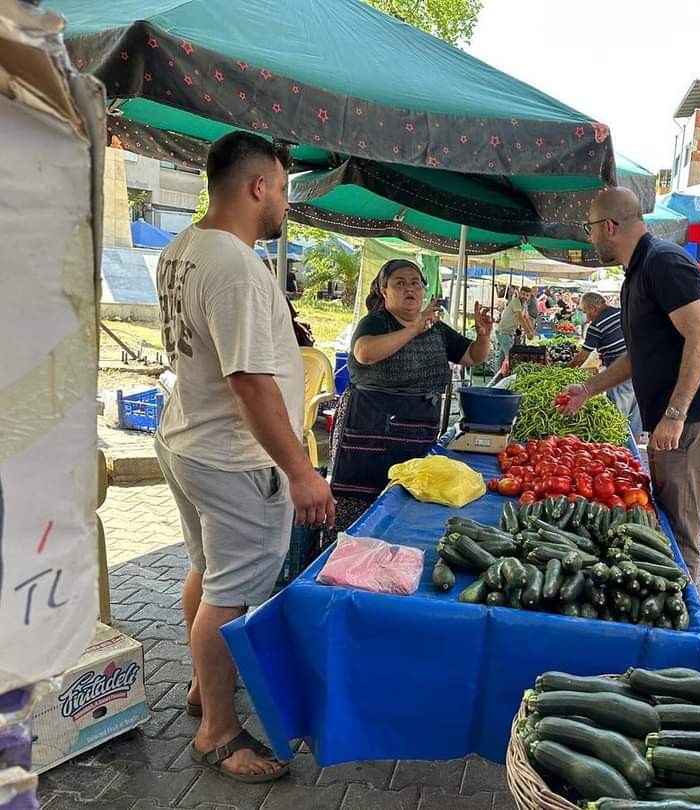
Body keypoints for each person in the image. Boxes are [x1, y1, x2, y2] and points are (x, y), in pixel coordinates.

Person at [155, 132, 335, 782]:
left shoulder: (183, 247)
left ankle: (207, 688)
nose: (285, 201)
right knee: (231, 591)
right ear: (259, 186)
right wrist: (300, 471)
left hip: (189, 439)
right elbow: (250, 381)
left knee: (207, 574)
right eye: (284, 188)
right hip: (235, 458)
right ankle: (218, 731)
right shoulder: (234, 265)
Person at [556, 188, 700, 578]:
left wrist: (675, 413)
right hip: (677, 419)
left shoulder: (663, 263)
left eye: (589, 229)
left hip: (695, 418)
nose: (589, 238)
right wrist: (589, 389)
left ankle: (682, 620)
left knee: (676, 529)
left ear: (609, 227)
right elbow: (642, 354)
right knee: (666, 520)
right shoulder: (637, 273)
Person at [330, 261, 493, 529]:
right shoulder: (375, 321)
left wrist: (483, 337)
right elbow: (365, 353)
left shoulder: (436, 328)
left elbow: (471, 356)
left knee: (410, 503)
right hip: (370, 425)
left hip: (417, 427)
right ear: (384, 291)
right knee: (361, 506)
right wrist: (414, 328)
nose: (410, 289)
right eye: (400, 283)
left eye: (415, 283)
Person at [569, 291, 642, 440]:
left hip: (620, 373)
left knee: (615, 417)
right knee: (636, 418)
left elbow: (581, 358)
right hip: (643, 369)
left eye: (585, 311)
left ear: (593, 308)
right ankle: (632, 453)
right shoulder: (623, 312)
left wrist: (564, 369)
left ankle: (618, 449)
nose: (586, 316)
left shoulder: (596, 326)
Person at [494, 285, 534, 373]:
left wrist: (532, 331)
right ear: (519, 293)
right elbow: (520, 317)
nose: (525, 297)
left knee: (502, 356)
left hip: (508, 333)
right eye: (523, 294)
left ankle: (497, 376)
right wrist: (528, 332)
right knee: (510, 356)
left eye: (527, 295)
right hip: (504, 332)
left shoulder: (524, 304)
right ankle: (501, 376)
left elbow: (526, 318)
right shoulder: (516, 301)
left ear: (529, 296)